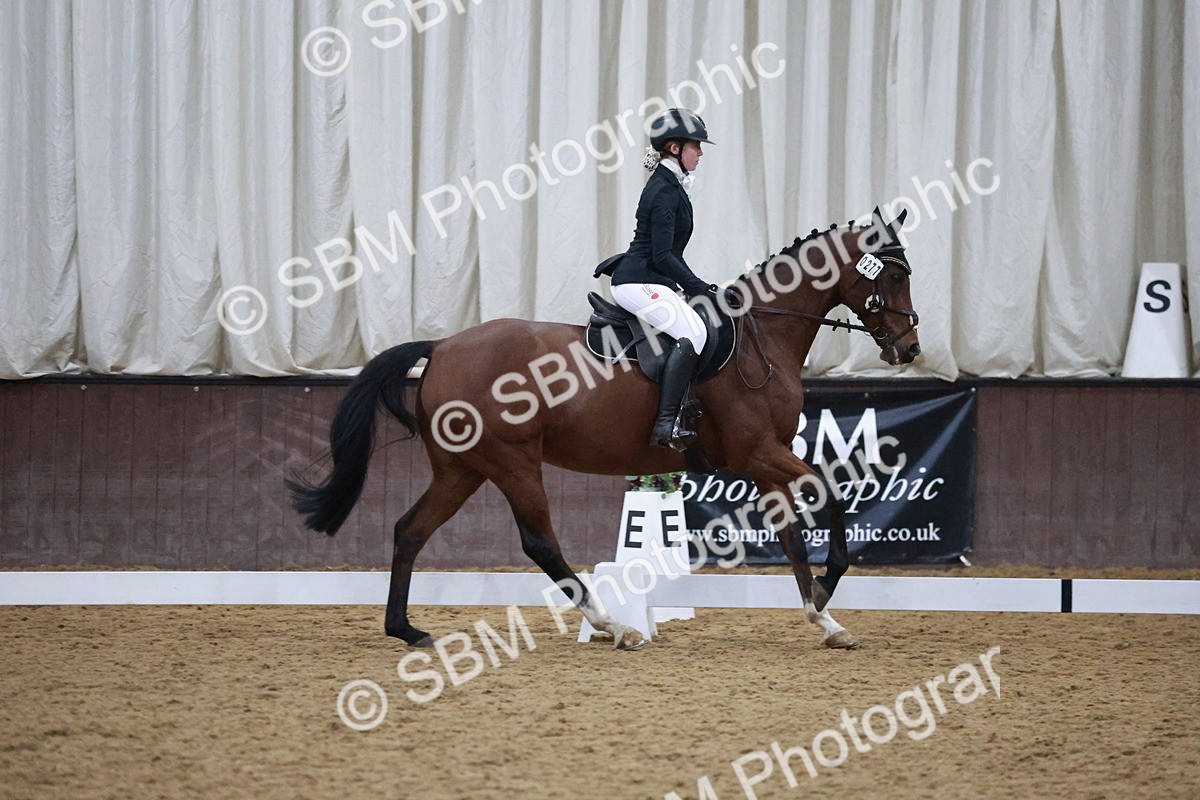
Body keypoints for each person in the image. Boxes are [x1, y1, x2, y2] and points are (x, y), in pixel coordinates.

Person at [605, 107, 715, 449]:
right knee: (693, 332)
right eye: (695, 145)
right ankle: (666, 424)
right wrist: (701, 289)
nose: (700, 152)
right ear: (673, 148)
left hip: (651, 279)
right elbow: (663, 256)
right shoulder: (665, 190)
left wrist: (699, 287)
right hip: (637, 281)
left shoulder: (672, 184)